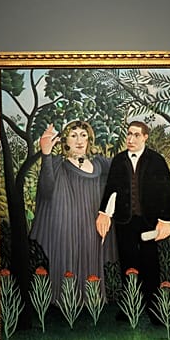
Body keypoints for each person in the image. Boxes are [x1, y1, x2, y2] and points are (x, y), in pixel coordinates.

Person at [96, 121, 170, 325]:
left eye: (136, 135)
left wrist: (165, 221)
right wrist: (104, 214)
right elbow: (111, 190)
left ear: (145, 137)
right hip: (124, 222)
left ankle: (155, 310)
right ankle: (129, 307)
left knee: (150, 265)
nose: (130, 139)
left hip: (149, 222)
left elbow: (169, 191)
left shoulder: (156, 160)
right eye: (129, 134)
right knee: (127, 264)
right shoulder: (118, 160)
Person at [29, 120, 115, 303]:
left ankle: (92, 304)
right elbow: (46, 190)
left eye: (83, 135)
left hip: (91, 224)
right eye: (73, 135)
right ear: (65, 140)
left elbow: (120, 174)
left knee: (90, 261)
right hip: (66, 224)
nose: (79, 140)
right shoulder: (57, 164)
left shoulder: (99, 163)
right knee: (66, 260)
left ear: (89, 139)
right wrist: (46, 153)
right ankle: (64, 304)